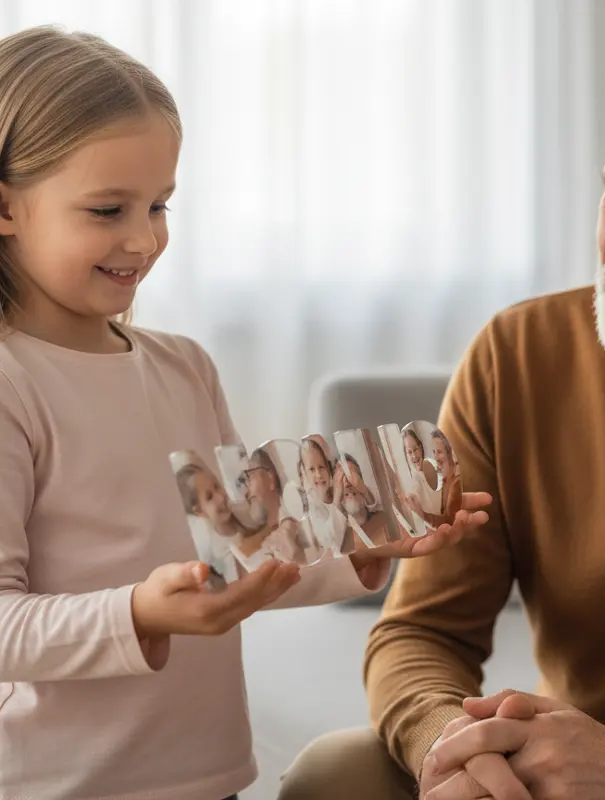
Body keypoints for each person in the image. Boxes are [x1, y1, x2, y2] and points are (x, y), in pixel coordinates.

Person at [278, 20, 605, 800]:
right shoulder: (516, 354)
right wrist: (453, 749)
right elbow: (423, 629)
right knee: (332, 776)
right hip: (574, 782)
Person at [0, 26, 491, 800]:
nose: (144, 237)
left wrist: (365, 548)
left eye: (159, 203)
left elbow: (244, 554)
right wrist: (141, 615)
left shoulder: (182, 365)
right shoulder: (11, 385)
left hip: (208, 775)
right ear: (6, 209)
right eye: (106, 209)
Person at [403, 428, 441, 515]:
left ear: (420, 447)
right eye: (409, 452)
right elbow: (414, 491)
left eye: (415, 449)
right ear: (406, 455)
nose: (414, 455)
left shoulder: (437, 467)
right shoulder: (413, 482)